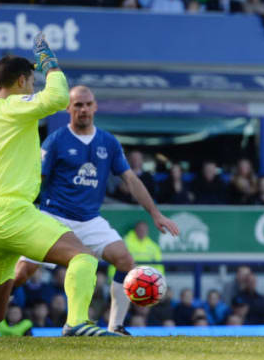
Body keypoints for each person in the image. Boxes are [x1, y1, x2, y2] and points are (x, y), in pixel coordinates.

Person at [0, 34, 115, 337]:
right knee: (83, 256)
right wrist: (49, 62)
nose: (34, 89)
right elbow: (58, 98)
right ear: (22, 80)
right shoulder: (12, 107)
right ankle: (76, 322)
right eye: (32, 83)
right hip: (11, 213)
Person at [10, 85, 180, 336]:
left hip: (89, 220)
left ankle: (116, 325)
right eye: (78, 105)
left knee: (125, 260)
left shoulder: (108, 143)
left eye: (88, 104)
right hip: (53, 215)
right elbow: (36, 179)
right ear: (68, 108)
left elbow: (131, 180)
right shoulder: (56, 140)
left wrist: (155, 214)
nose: (84, 109)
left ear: (95, 107)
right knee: (23, 273)